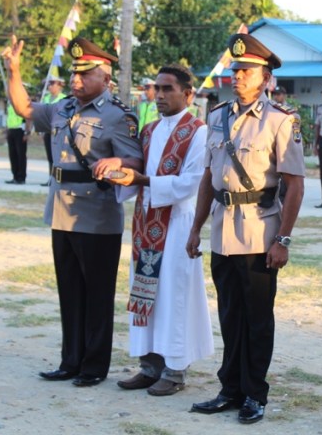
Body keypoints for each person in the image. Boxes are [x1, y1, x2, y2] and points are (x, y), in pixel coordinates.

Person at [2, 35, 143, 387]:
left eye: (84, 74)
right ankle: (70, 361)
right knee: (69, 291)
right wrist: (14, 71)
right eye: (74, 74)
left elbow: (137, 160)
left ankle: (94, 366)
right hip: (61, 211)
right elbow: (24, 109)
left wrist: (117, 160)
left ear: (105, 78)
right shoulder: (62, 108)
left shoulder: (117, 116)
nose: (76, 81)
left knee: (96, 294)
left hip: (97, 216)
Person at [186, 33, 305, 425]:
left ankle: (255, 393)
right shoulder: (217, 116)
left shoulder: (280, 121)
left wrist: (283, 239)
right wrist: (196, 228)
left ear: (266, 79)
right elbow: (208, 178)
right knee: (230, 315)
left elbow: (294, 184)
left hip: (259, 231)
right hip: (222, 230)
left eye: (246, 71)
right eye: (235, 69)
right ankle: (230, 388)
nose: (237, 76)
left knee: (257, 318)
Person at [95, 64, 214, 397]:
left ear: (187, 94)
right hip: (147, 223)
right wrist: (118, 175)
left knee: (174, 296)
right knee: (145, 293)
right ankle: (149, 365)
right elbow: (135, 175)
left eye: (167, 89)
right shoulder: (148, 130)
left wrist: (144, 181)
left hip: (177, 224)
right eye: (157, 89)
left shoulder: (198, 131)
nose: (159, 95)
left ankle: (175, 370)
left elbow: (192, 184)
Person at [39, 77, 67, 186]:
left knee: (59, 157)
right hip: (47, 131)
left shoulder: (64, 98)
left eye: (52, 84)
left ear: (59, 85)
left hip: (59, 132)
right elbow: (42, 114)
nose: (49, 86)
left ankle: (59, 178)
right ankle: (51, 178)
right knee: (50, 156)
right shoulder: (46, 98)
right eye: (48, 84)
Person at [5, 99, 32, 184]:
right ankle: (15, 176)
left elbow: (28, 118)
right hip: (11, 129)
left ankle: (21, 177)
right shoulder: (10, 103)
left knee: (21, 155)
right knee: (12, 155)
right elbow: (9, 116)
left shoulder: (22, 102)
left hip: (20, 130)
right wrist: (7, 130)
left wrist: (27, 132)